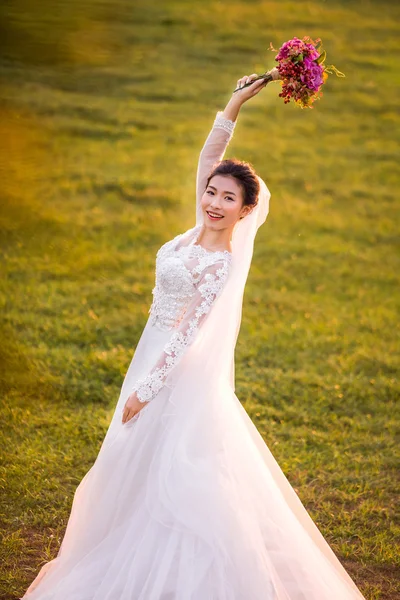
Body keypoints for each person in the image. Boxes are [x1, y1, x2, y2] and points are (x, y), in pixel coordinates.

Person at [22, 74, 366, 600]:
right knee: (131, 464)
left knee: (174, 470)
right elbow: (211, 152)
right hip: (149, 353)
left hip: (172, 372)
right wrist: (237, 100)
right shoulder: (193, 229)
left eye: (228, 198)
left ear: (246, 211)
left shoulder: (219, 263)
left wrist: (146, 390)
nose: (213, 200)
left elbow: (187, 338)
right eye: (211, 190)